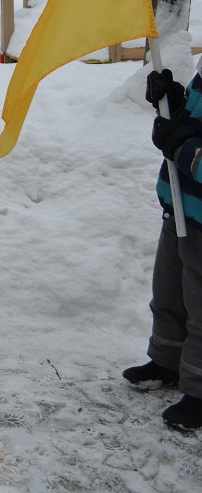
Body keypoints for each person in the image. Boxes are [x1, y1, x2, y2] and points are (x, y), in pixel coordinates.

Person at [123, 66, 202, 431]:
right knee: (169, 291)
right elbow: (191, 125)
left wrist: (182, 145)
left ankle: (199, 390)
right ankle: (168, 361)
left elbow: (188, 145)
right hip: (183, 206)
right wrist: (174, 103)